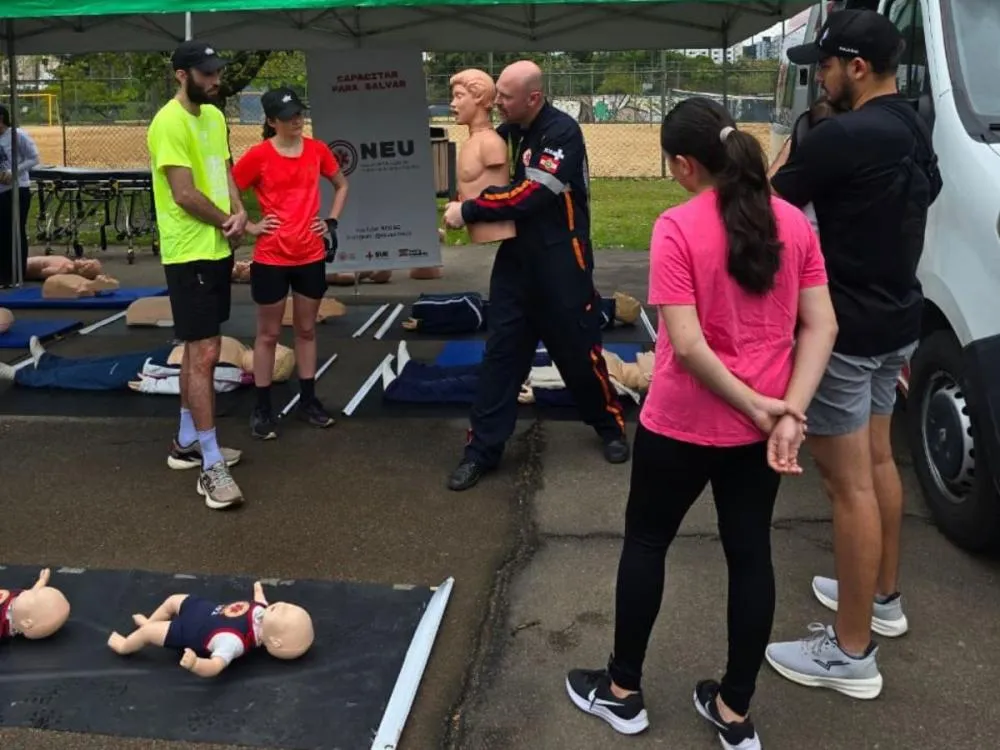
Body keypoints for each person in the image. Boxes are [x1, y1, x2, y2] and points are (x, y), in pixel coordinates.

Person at [563, 97, 838, 749]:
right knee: (750, 557)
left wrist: (761, 408)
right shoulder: (792, 223)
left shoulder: (678, 226)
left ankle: (623, 692)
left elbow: (686, 346)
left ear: (686, 164)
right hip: (762, 429)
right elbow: (823, 324)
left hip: (685, 423)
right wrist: (786, 412)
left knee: (648, 542)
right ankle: (734, 711)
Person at [764, 9, 943, 699]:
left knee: (848, 488)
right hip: (897, 314)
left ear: (855, 68)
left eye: (826, 66)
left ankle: (850, 651)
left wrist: (791, 144)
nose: (820, 78)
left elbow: (771, 199)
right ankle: (883, 599)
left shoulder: (841, 136)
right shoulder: (910, 126)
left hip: (844, 327)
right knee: (876, 463)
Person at [441, 60, 629, 491]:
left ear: (534, 98)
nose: (498, 102)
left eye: (506, 97)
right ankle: (481, 451)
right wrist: (462, 201)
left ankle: (611, 428)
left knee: (579, 353)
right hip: (517, 265)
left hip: (563, 262)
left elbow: (531, 195)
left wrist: (469, 210)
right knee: (501, 359)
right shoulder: (509, 131)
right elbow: (484, 178)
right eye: (497, 94)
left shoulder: (561, 133)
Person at [147, 40, 249, 510]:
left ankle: (187, 442)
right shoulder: (168, 122)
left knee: (197, 349)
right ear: (181, 75)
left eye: (216, 72)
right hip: (188, 251)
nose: (215, 81)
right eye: (206, 74)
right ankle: (209, 462)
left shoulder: (213, 116)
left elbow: (223, 169)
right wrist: (226, 221)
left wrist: (241, 210)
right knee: (205, 353)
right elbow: (184, 193)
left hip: (215, 247)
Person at [231, 86, 349, 440]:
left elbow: (341, 185)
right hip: (271, 257)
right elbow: (230, 187)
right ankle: (263, 407)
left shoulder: (316, 150)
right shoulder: (259, 156)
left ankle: (308, 402)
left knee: (307, 330)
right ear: (271, 121)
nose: (297, 120)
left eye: (299, 114)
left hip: (310, 254)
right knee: (267, 334)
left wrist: (330, 222)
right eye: (288, 117)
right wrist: (249, 224)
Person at [0, 334, 293, 400]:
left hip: (155, 371)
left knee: (90, 376)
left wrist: (154, 385)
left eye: (270, 353)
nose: (266, 346)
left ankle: (22, 376)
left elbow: (191, 383)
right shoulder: (241, 348)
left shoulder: (230, 374)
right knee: (99, 363)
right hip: (161, 354)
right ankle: (47, 361)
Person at [0, 104, 40, 288]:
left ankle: (16, 274)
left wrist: (14, 172)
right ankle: (3, 274)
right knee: (2, 232)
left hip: (17, 189)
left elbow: (33, 158)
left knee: (15, 230)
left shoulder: (17, 135)